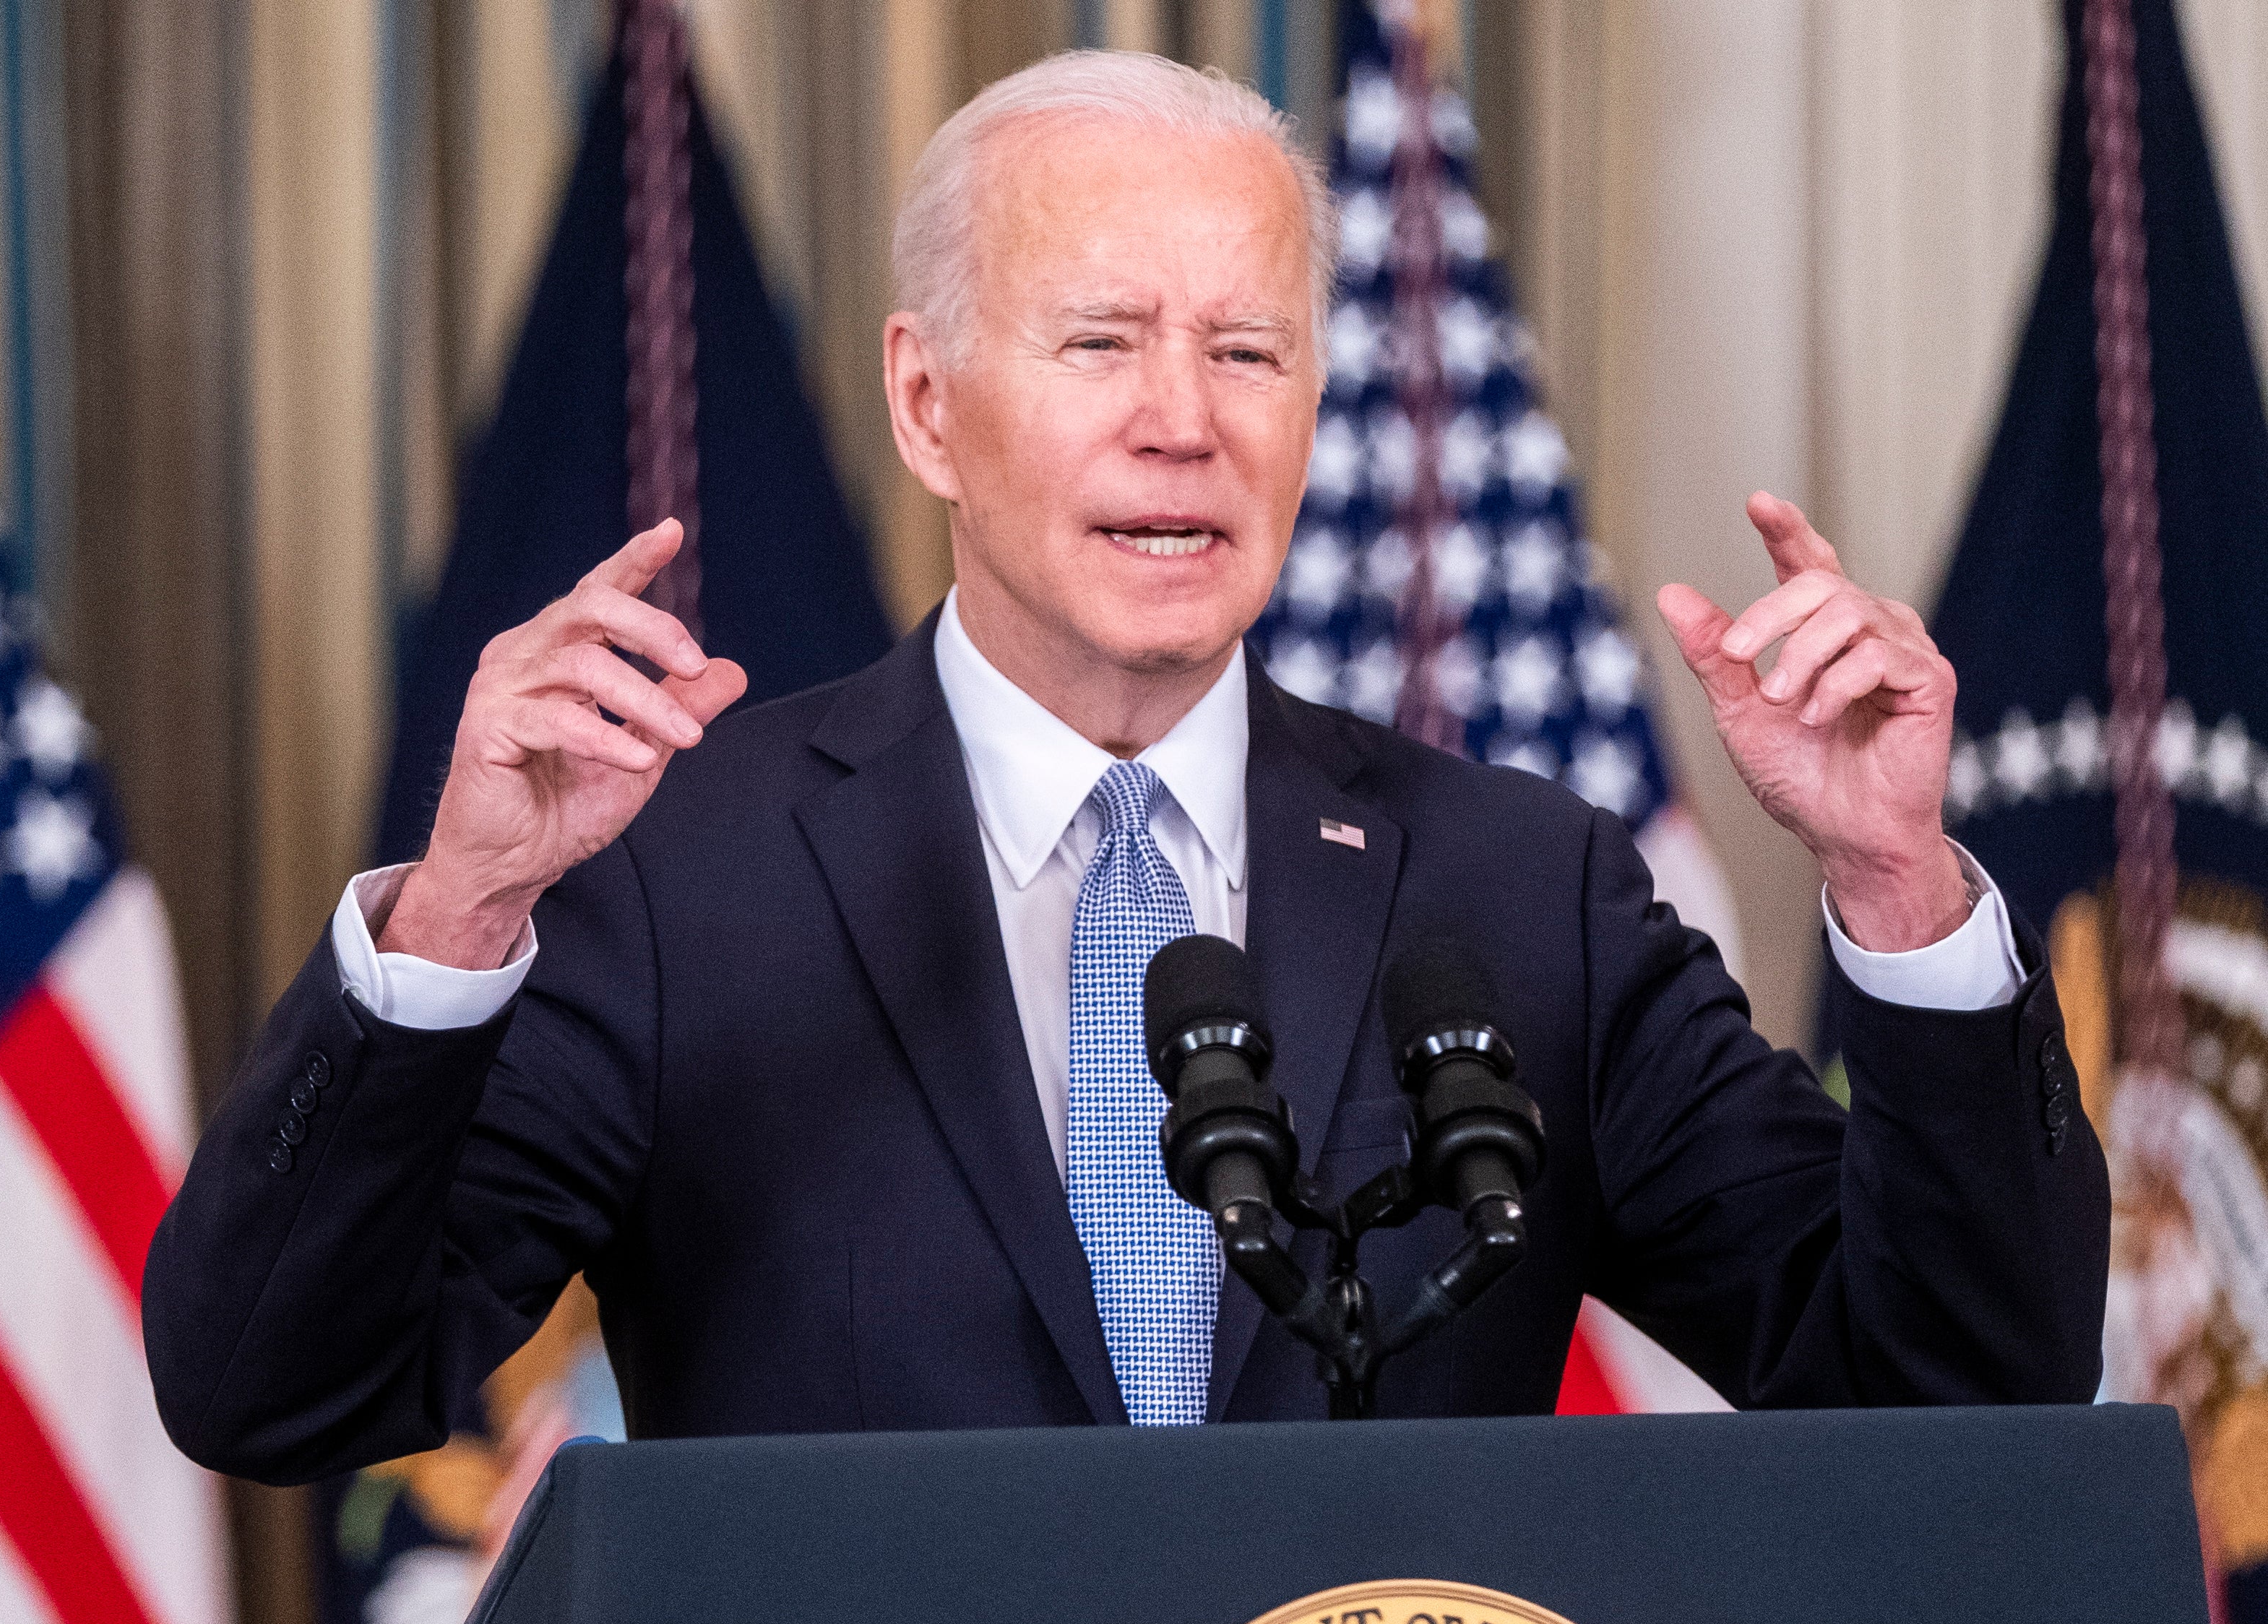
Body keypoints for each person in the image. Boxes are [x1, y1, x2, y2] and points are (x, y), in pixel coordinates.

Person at [145, 50, 2105, 1481]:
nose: (1184, 424)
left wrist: (1896, 893)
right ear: (929, 402)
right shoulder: (679, 880)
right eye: (1100, 344)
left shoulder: (1524, 895)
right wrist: (460, 912)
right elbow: (278, 1389)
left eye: (1247, 355)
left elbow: (1947, 1390)